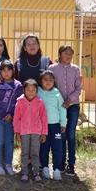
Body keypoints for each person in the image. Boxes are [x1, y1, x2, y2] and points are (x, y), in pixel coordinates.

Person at [48, 45, 82, 176]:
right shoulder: (52, 68)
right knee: (60, 134)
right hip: (58, 107)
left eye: (71, 54)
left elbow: (79, 88)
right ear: (60, 54)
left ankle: (71, 163)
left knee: (71, 135)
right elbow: (49, 85)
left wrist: (69, 99)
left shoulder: (76, 69)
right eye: (65, 53)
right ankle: (60, 162)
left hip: (72, 106)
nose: (68, 56)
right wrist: (59, 101)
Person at [0, 60, 23, 176]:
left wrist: (12, 115)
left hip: (11, 119)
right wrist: (3, 114)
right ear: (0, 72)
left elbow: (20, 103)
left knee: (9, 141)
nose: (6, 73)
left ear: (13, 71)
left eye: (9, 70)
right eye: (4, 70)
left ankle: (8, 164)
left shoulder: (18, 86)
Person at [13, 79, 48, 183]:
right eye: (28, 90)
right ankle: (24, 172)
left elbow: (44, 118)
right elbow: (16, 118)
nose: (31, 92)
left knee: (35, 153)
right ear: (24, 90)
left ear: (37, 90)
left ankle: (36, 173)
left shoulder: (40, 102)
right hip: (24, 132)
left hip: (36, 132)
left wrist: (44, 132)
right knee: (24, 153)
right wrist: (17, 132)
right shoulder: (20, 101)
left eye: (33, 90)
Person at [38, 70, 67, 181]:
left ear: (54, 81)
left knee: (57, 148)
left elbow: (62, 109)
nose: (48, 82)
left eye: (51, 80)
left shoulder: (56, 93)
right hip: (42, 127)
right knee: (44, 148)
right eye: (45, 79)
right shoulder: (37, 92)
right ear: (40, 81)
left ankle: (56, 170)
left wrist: (63, 123)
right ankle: (45, 168)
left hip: (55, 126)